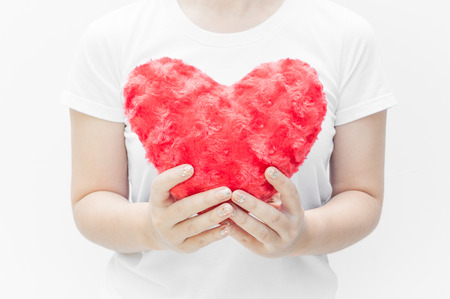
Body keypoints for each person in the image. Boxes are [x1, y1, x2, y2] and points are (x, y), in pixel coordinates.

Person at [62, 0, 396, 298]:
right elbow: (92, 198)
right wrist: (149, 229)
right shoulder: (113, 37)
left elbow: (362, 194)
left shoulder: (343, 35)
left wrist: (305, 235)